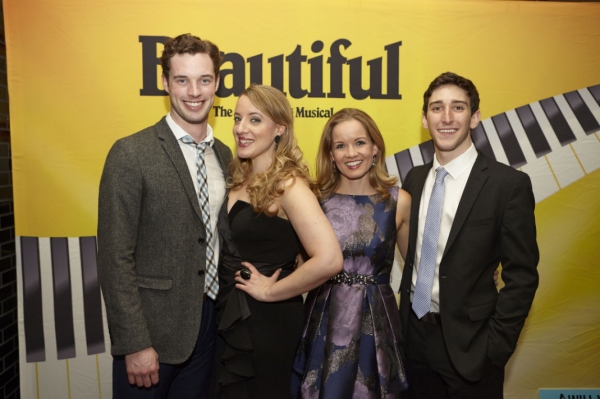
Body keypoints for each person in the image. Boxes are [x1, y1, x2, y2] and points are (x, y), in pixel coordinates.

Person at [97, 33, 232, 398]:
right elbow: (114, 257)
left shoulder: (225, 154)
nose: (194, 91)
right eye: (182, 79)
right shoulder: (131, 153)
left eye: (204, 80)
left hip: (208, 330)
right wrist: (134, 343)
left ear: (217, 83)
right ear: (164, 82)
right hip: (151, 337)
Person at [398, 72, 539, 398]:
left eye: (458, 108)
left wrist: (495, 348)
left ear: (475, 117)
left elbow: (522, 275)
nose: (446, 118)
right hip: (411, 341)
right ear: (424, 118)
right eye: (437, 108)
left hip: (472, 349)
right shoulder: (414, 180)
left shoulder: (507, 185)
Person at [214, 84, 343, 398]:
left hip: (267, 322)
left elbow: (329, 259)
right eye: (237, 118)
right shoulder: (236, 176)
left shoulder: (289, 184)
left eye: (255, 120)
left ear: (279, 128)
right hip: (227, 313)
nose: (241, 128)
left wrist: (271, 291)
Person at [291, 108, 411, 398]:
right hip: (324, 321)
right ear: (330, 154)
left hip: (378, 323)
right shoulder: (312, 200)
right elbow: (298, 267)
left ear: (375, 148)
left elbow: (418, 267)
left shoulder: (399, 201)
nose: (350, 153)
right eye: (340, 145)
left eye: (359, 142)